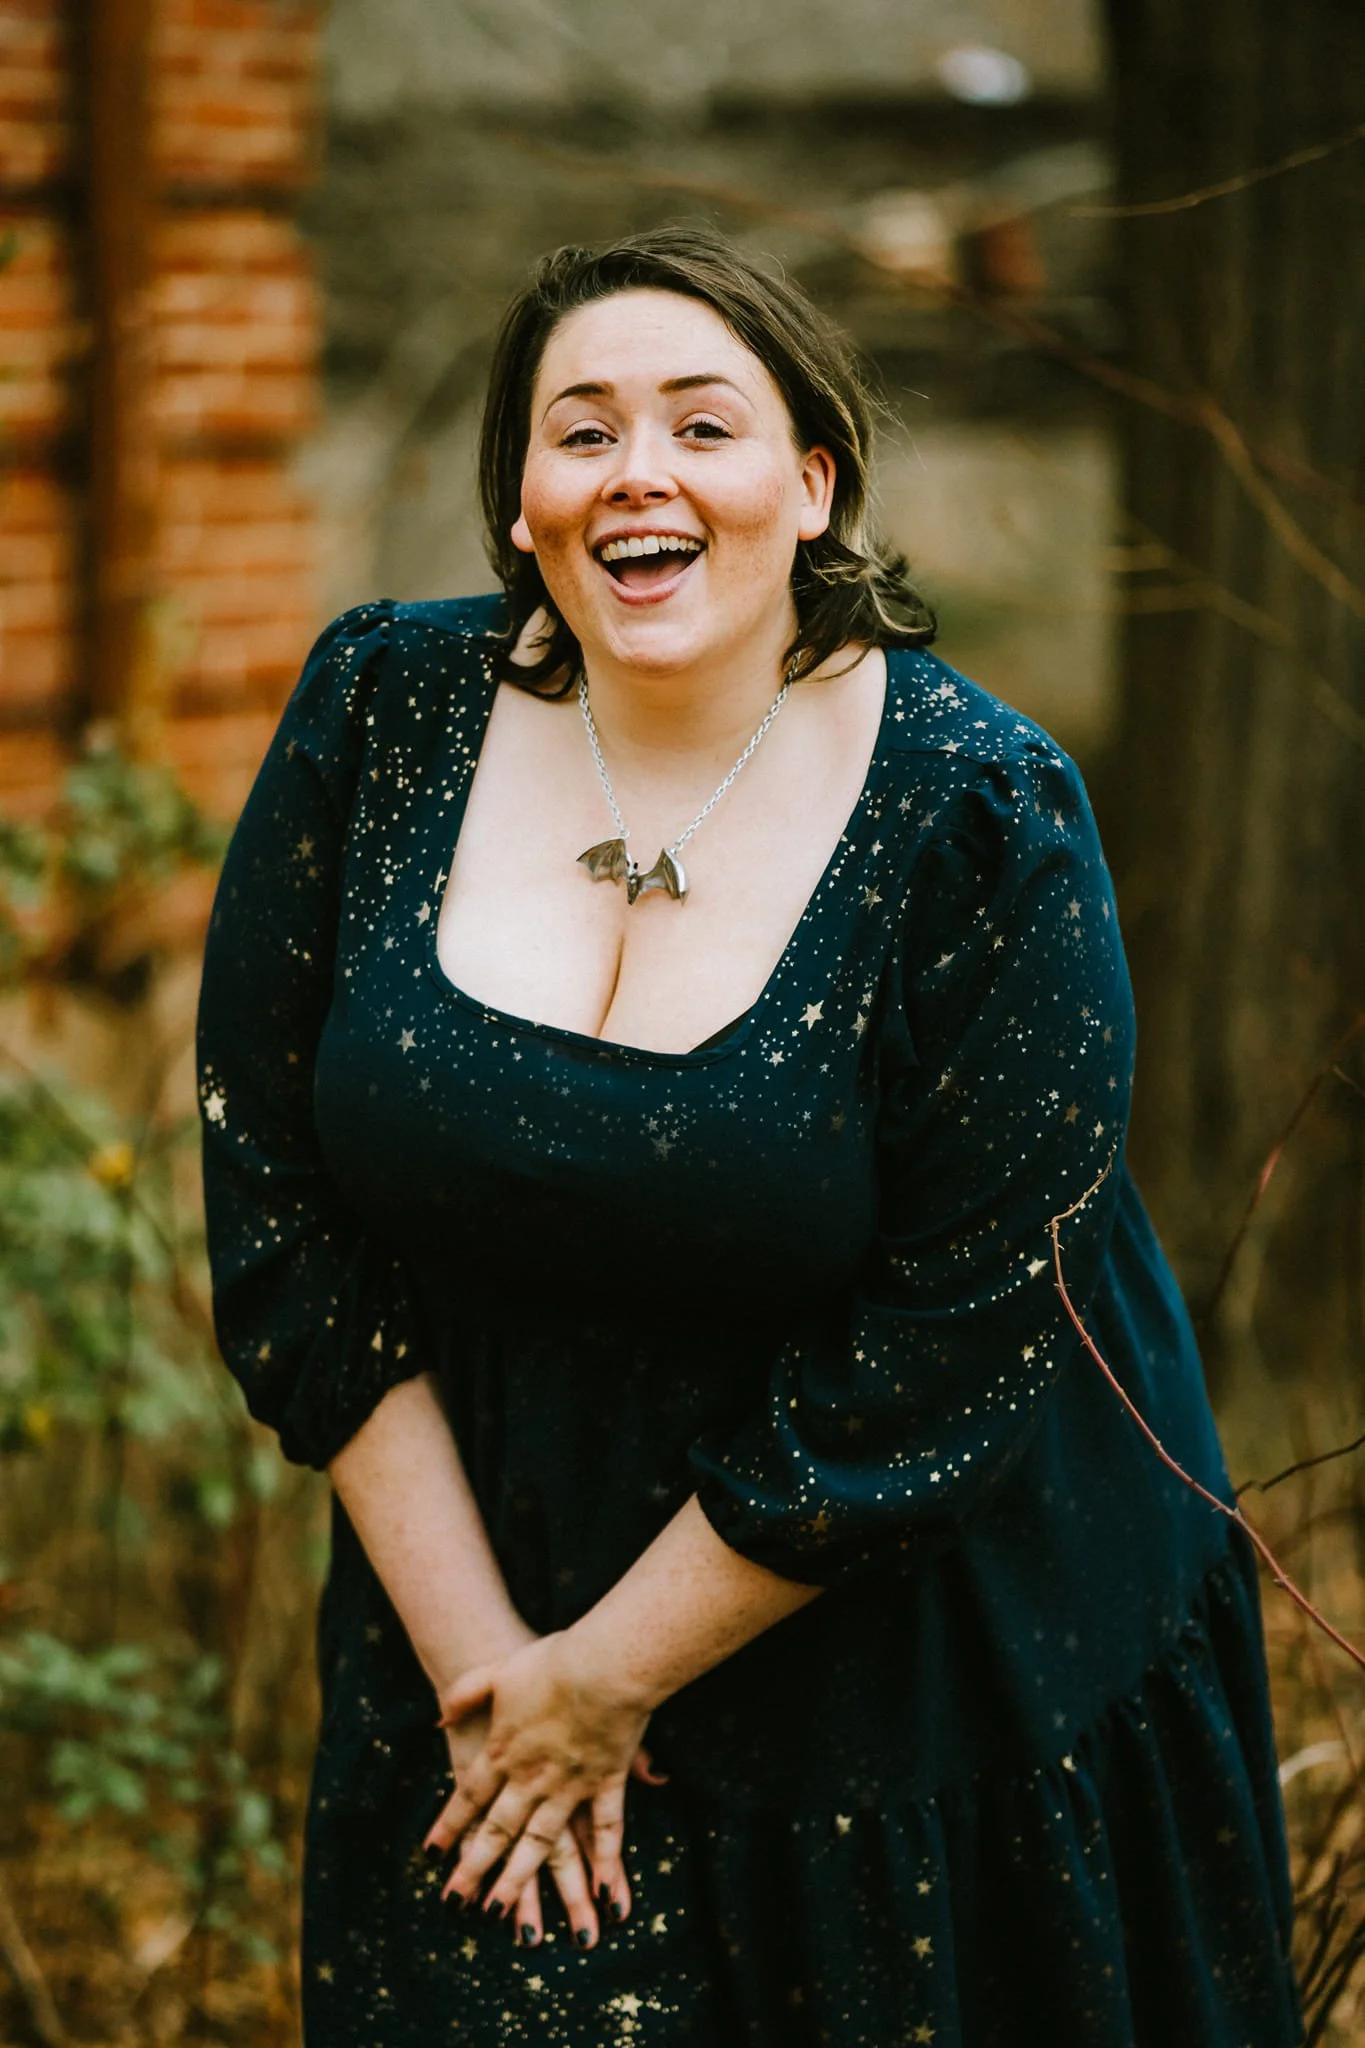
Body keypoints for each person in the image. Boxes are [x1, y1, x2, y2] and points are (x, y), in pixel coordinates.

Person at [196, 224, 1301, 2046]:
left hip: (909, 1680)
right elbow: (281, 1219)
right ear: (526, 500)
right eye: (583, 430)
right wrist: (498, 1688)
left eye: (704, 426)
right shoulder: (378, 716)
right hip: (474, 1632)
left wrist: (608, 1686)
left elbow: (950, 1346)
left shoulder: (982, 815)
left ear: (813, 483)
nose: (641, 471)